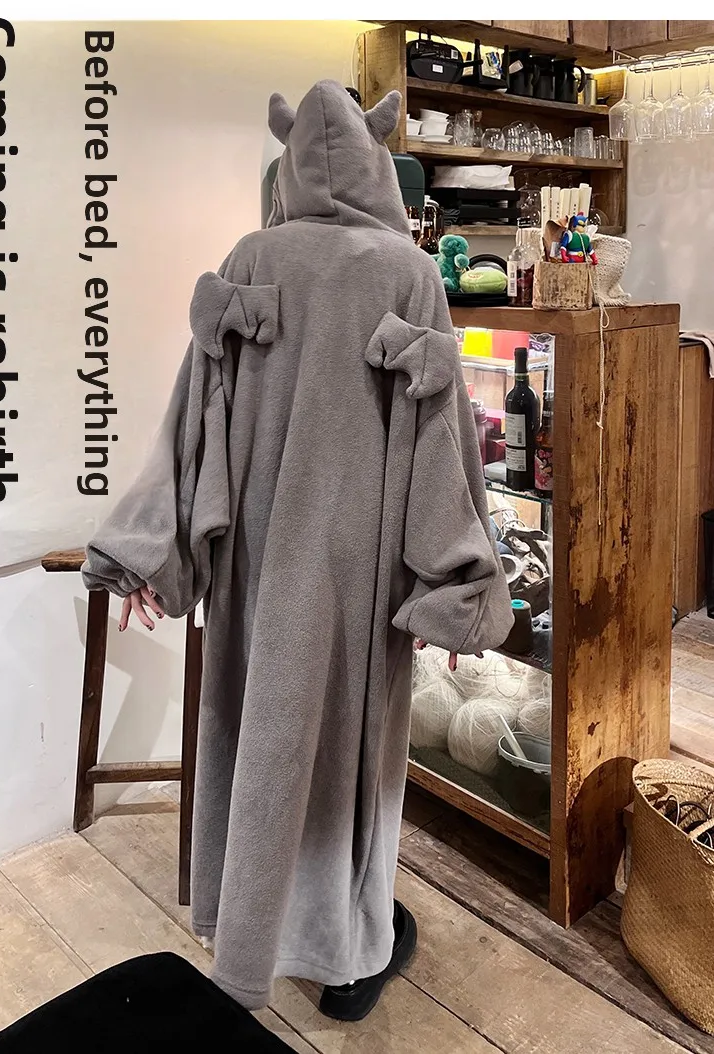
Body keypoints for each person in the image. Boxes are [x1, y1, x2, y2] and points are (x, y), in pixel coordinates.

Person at [82, 80, 512, 1021]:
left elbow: (193, 416)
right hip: (357, 575)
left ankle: (247, 937)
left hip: (254, 569)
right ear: (377, 164)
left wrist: (153, 547)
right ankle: (347, 959)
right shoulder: (406, 273)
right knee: (351, 768)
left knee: (253, 743)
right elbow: (440, 439)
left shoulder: (249, 258)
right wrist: (456, 580)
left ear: (291, 170)